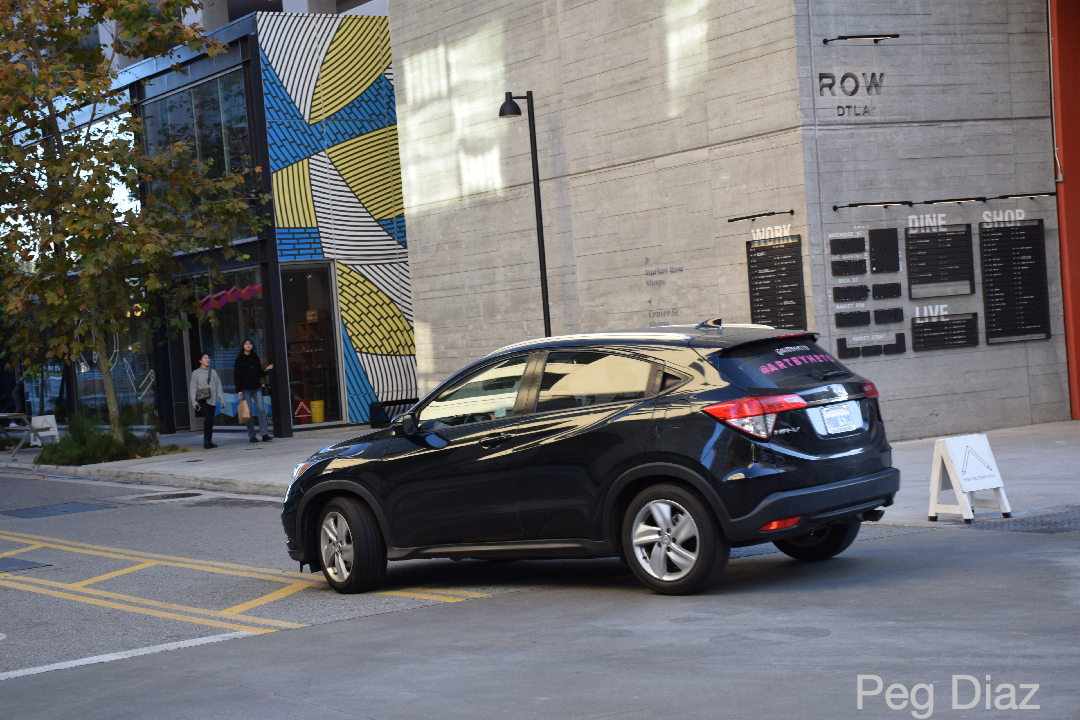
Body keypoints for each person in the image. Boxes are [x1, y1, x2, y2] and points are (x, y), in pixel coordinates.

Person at [234, 338, 275, 443]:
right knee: (248, 412)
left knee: (261, 409)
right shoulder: (239, 359)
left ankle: (264, 434)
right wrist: (238, 390)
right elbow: (236, 376)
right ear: (243, 346)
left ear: (252, 346)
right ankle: (252, 436)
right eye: (246, 344)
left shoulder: (255, 357)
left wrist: (267, 370)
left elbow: (260, 373)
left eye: (250, 344)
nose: (248, 345)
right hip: (245, 389)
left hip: (256, 388)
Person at [189, 353, 226, 449]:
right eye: (205, 358)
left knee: (210, 420)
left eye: (208, 358)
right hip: (202, 399)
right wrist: (194, 401)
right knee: (208, 418)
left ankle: (209, 441)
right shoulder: (195, 373)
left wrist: (222, 399)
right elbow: (193, 388)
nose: (207, 359)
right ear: (200, 361)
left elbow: (218, 386)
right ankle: (206, 440)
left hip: (212, 400)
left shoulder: (213, 372)